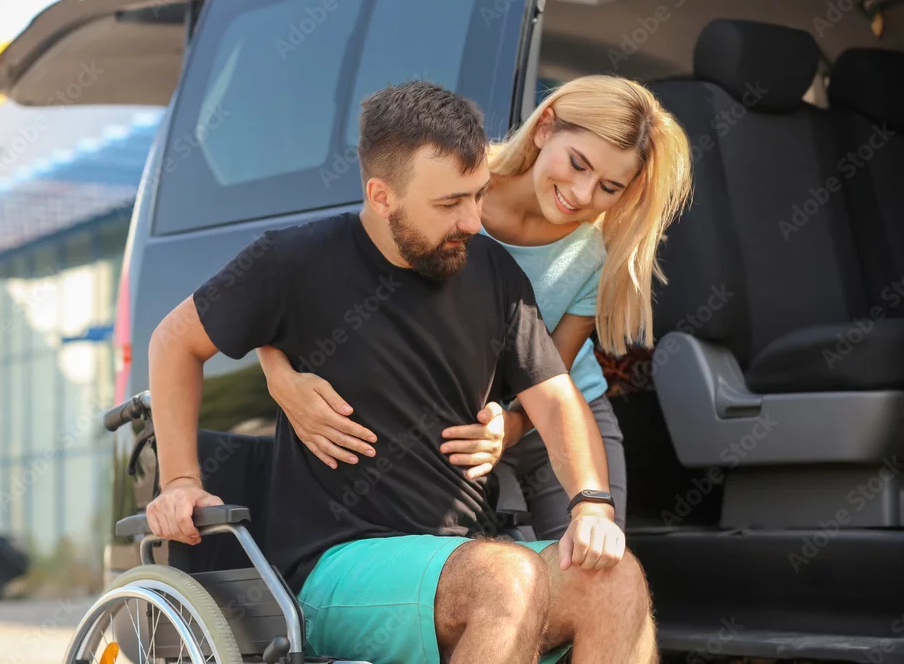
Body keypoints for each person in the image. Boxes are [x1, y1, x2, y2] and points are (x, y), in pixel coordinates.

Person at [145, 80, 657, 664]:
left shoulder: (494, 273)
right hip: (340, 565)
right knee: (506, 579)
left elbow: (559, 400)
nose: (473, 220)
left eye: (477, 195)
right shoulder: (293, 261)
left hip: (466, 554)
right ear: (382, 196)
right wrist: (180, 480)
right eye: (450, 204)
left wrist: (592, 505)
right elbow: (174, 342)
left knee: (616, 579)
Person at [256, 75, 693, 535]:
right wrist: (278, 376)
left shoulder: (600, 249)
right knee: (489, 572)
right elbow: (309, 281)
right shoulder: (449, 185)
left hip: (556, 418)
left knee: (595, 559)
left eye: (609, 186)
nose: (583, 195)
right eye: (577, 164)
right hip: (453, 424)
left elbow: (554, 377)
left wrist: (512, 428)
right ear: (545, 127)